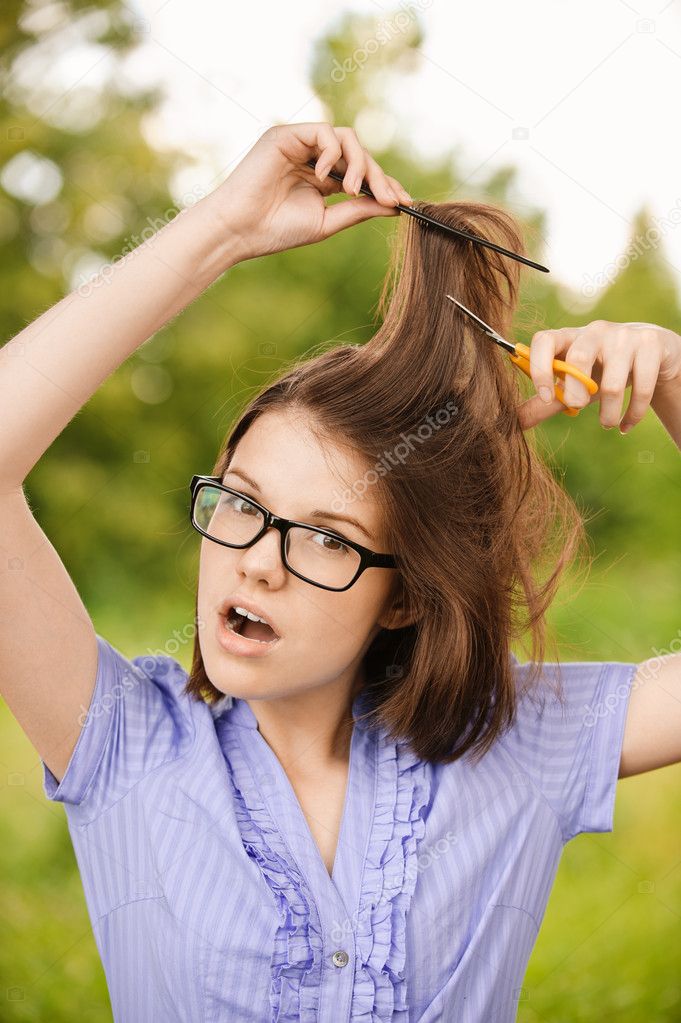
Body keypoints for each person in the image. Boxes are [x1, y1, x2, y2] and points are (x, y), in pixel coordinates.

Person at [1, 121, 680, 1023]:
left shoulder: (511, 742)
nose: (258, 562)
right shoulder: (124, 744)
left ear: (402, 595)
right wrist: (222, 231)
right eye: (241, 503)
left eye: (326, 537)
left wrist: (672, 376)